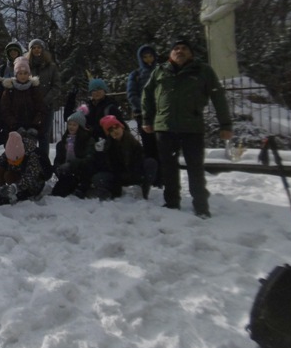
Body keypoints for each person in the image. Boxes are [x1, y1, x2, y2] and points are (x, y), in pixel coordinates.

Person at [141, 39, 233, 218]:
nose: (180, 51)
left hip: (192, 128)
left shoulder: (203, 71)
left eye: (184, 48)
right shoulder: (160, 71)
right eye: (176, 49)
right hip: (164, 128)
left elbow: (218, 97)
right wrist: (147, 119)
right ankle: (172, 201)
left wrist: (225, 124)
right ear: (170, 54)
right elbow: (147, 95)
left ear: (191, 53)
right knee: (168, 167)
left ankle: (200, 205)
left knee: (195, 168)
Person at [0, 131, 50, 206]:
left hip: (33, 185)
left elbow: (30, 177)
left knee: (8, 175)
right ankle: (2, 193)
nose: (12, 163)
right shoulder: (10, 151)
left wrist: (15, 187)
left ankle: (17, 195)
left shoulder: (32, 156)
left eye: (16, 161)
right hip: (18, 176)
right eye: (10, 160)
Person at [91, 115, 156, 200]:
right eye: (111, 130)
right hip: (118, 176)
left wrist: (135, 176)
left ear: (121, 127)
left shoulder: (132, 142)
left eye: (116, 127)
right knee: (98, 177)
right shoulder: (107, 145)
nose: (115, 131)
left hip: (134, 173)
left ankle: (143, 190)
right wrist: (100, 153)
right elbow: (106, 166)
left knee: (151, 162)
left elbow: (139, 160)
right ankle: (107, 193)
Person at [200, 0, 243, 79]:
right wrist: (203, 17)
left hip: (223, 23)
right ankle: (216, 76)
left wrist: (211, 17)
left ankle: (229, 76)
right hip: (210, 26)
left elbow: (229, 5)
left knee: (225, 49)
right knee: (213, 51)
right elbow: (204, 7)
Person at [126, 44, 160, 183]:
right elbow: (132, 94)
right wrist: (144, 107)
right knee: (149, 146)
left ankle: (162, 176)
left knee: (162, 146)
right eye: (144, 57)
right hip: (144, 115)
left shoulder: (160, 71)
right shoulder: (136, 74)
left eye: (150, 56)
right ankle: (152, 176)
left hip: (161, 114)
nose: (148, 59)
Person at [0, 57, 48, 143]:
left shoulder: (34, 89)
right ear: (16, 74)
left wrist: (35, 125)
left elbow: (41, 108)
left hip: (31, 130)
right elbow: (5, 110)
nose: (23, 76)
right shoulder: (9, 90)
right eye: (20, 73)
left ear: (29, 74)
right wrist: (15, 126)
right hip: (14, 130)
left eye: (25, 73)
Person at [26, 39, 61, 156]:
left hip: (47, 106)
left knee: (44, 136)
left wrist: (45, 100)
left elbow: (56, 86)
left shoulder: (51, 67)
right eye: (34, 47)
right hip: (31, 107)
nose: (37, 50)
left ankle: (43, 165)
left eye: (39, 47)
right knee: (30, 136)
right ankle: (31, 164)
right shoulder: (26, 66)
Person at [51, 110, 96, 198]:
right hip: (67, 173)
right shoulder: (62, 143)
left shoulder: (88, 140)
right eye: (70, 124)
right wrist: (58, 168)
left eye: (74, 125)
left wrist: (72, 164)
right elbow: (58, 159)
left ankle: (82, 187)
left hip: (82, 173)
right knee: (58, 193)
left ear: (80, 126)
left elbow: (89, 160)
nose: (71, 127)